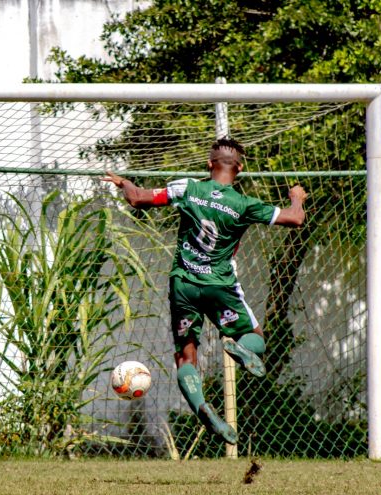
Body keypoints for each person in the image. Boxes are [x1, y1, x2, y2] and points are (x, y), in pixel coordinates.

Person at [104, 137, 307, 444]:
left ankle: (203, 411)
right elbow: (295, 219)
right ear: (239, 168)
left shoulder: (188, 188)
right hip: (220, 285)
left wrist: (125, 183)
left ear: (209, 164)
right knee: (257, 341)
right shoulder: (244, 204)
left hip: (184, 284)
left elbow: (138, 199)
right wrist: (296, 197)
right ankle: (240, 349)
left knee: (186, 359)